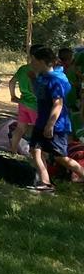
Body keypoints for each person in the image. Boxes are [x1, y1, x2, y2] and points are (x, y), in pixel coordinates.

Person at [28, 46, 84, 192]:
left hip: (56, 125)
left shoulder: (55, 80)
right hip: (41, 121)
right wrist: (33, 80)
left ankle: (82, 174)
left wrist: (50, 125)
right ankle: (45, 183)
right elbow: (38, 94)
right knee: (34, 150)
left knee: (60, 157)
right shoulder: (42, 78)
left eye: (33, 60)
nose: (31, 63)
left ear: (41, 61)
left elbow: (58, 104)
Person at [9, 46, 39, 153]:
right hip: (36, 105)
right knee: (38, 130)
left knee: (20, 128)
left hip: (23, 103)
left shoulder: (23, 69)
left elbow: (12, 82)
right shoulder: (40, 71)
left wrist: (13, 95)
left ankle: (13, 150)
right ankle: (36, 153)